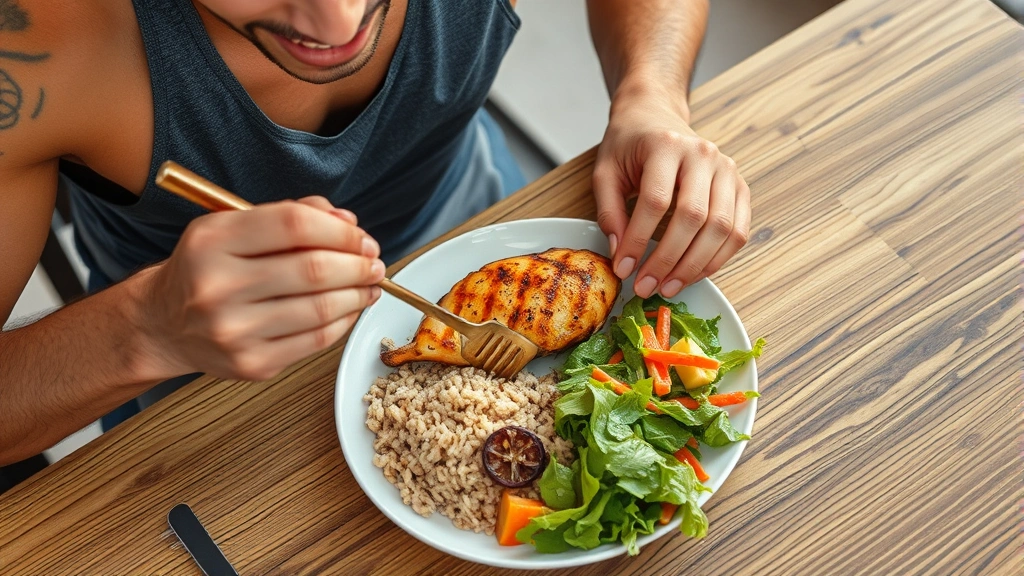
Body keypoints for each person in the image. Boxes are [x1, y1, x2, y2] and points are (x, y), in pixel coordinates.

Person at [0, 0, 749, 466]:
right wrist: (144, 328)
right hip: (206, 399)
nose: (339, 23)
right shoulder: (37, 44)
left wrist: (650, 94)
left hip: (484, 225)